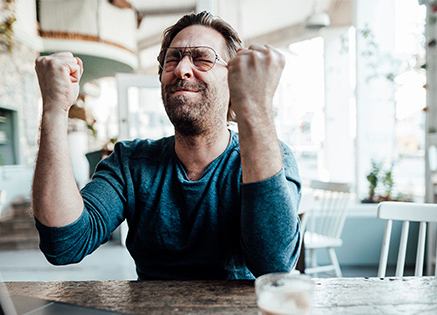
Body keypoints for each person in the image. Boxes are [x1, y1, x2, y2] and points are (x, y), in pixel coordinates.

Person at [32, 11, 302, 280]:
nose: (181, 69)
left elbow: (274, 265)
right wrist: (55, 109)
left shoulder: (271, 156)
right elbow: (64, 244)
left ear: (233, 78)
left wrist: (256, 105)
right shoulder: (131, 161)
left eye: (202, 58)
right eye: (172, 59)